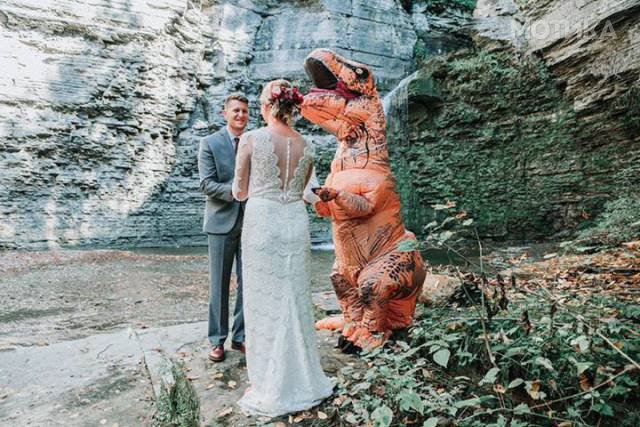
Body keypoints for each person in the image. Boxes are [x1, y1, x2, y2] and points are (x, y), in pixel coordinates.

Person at [232, 80, 333, 417]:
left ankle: (267, 382)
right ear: (292, 107)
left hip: (263, 223)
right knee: (295, 297)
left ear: (266, 106)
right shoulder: (308, 145)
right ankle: (302, 377)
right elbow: (305, 192)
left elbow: (238, 191)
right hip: (295, 224)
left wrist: (258, 189)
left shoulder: (251, 139)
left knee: (263, 302)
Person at [198, 93, 249, 362]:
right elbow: (206, 183)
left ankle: (241, 337)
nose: (241, 115)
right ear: (225, 113)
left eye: (244, 111)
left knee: (248, 282)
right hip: (220, 221)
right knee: (219, 284)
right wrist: (235, 192)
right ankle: (217, 340)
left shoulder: (254, 141)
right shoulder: (209, 143)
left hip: (252, 221)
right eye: (236, 110)